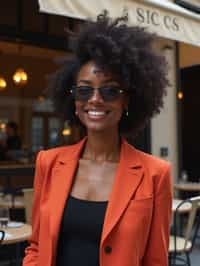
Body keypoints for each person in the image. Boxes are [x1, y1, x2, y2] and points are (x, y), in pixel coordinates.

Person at [23, 12, 172, 266]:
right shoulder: (47, 163)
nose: (95, 99)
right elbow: (37, 246)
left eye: (110, 90)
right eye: (84, 90)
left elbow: (156, 261)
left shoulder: (155, 174)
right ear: (74, 99)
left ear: (126, 100)